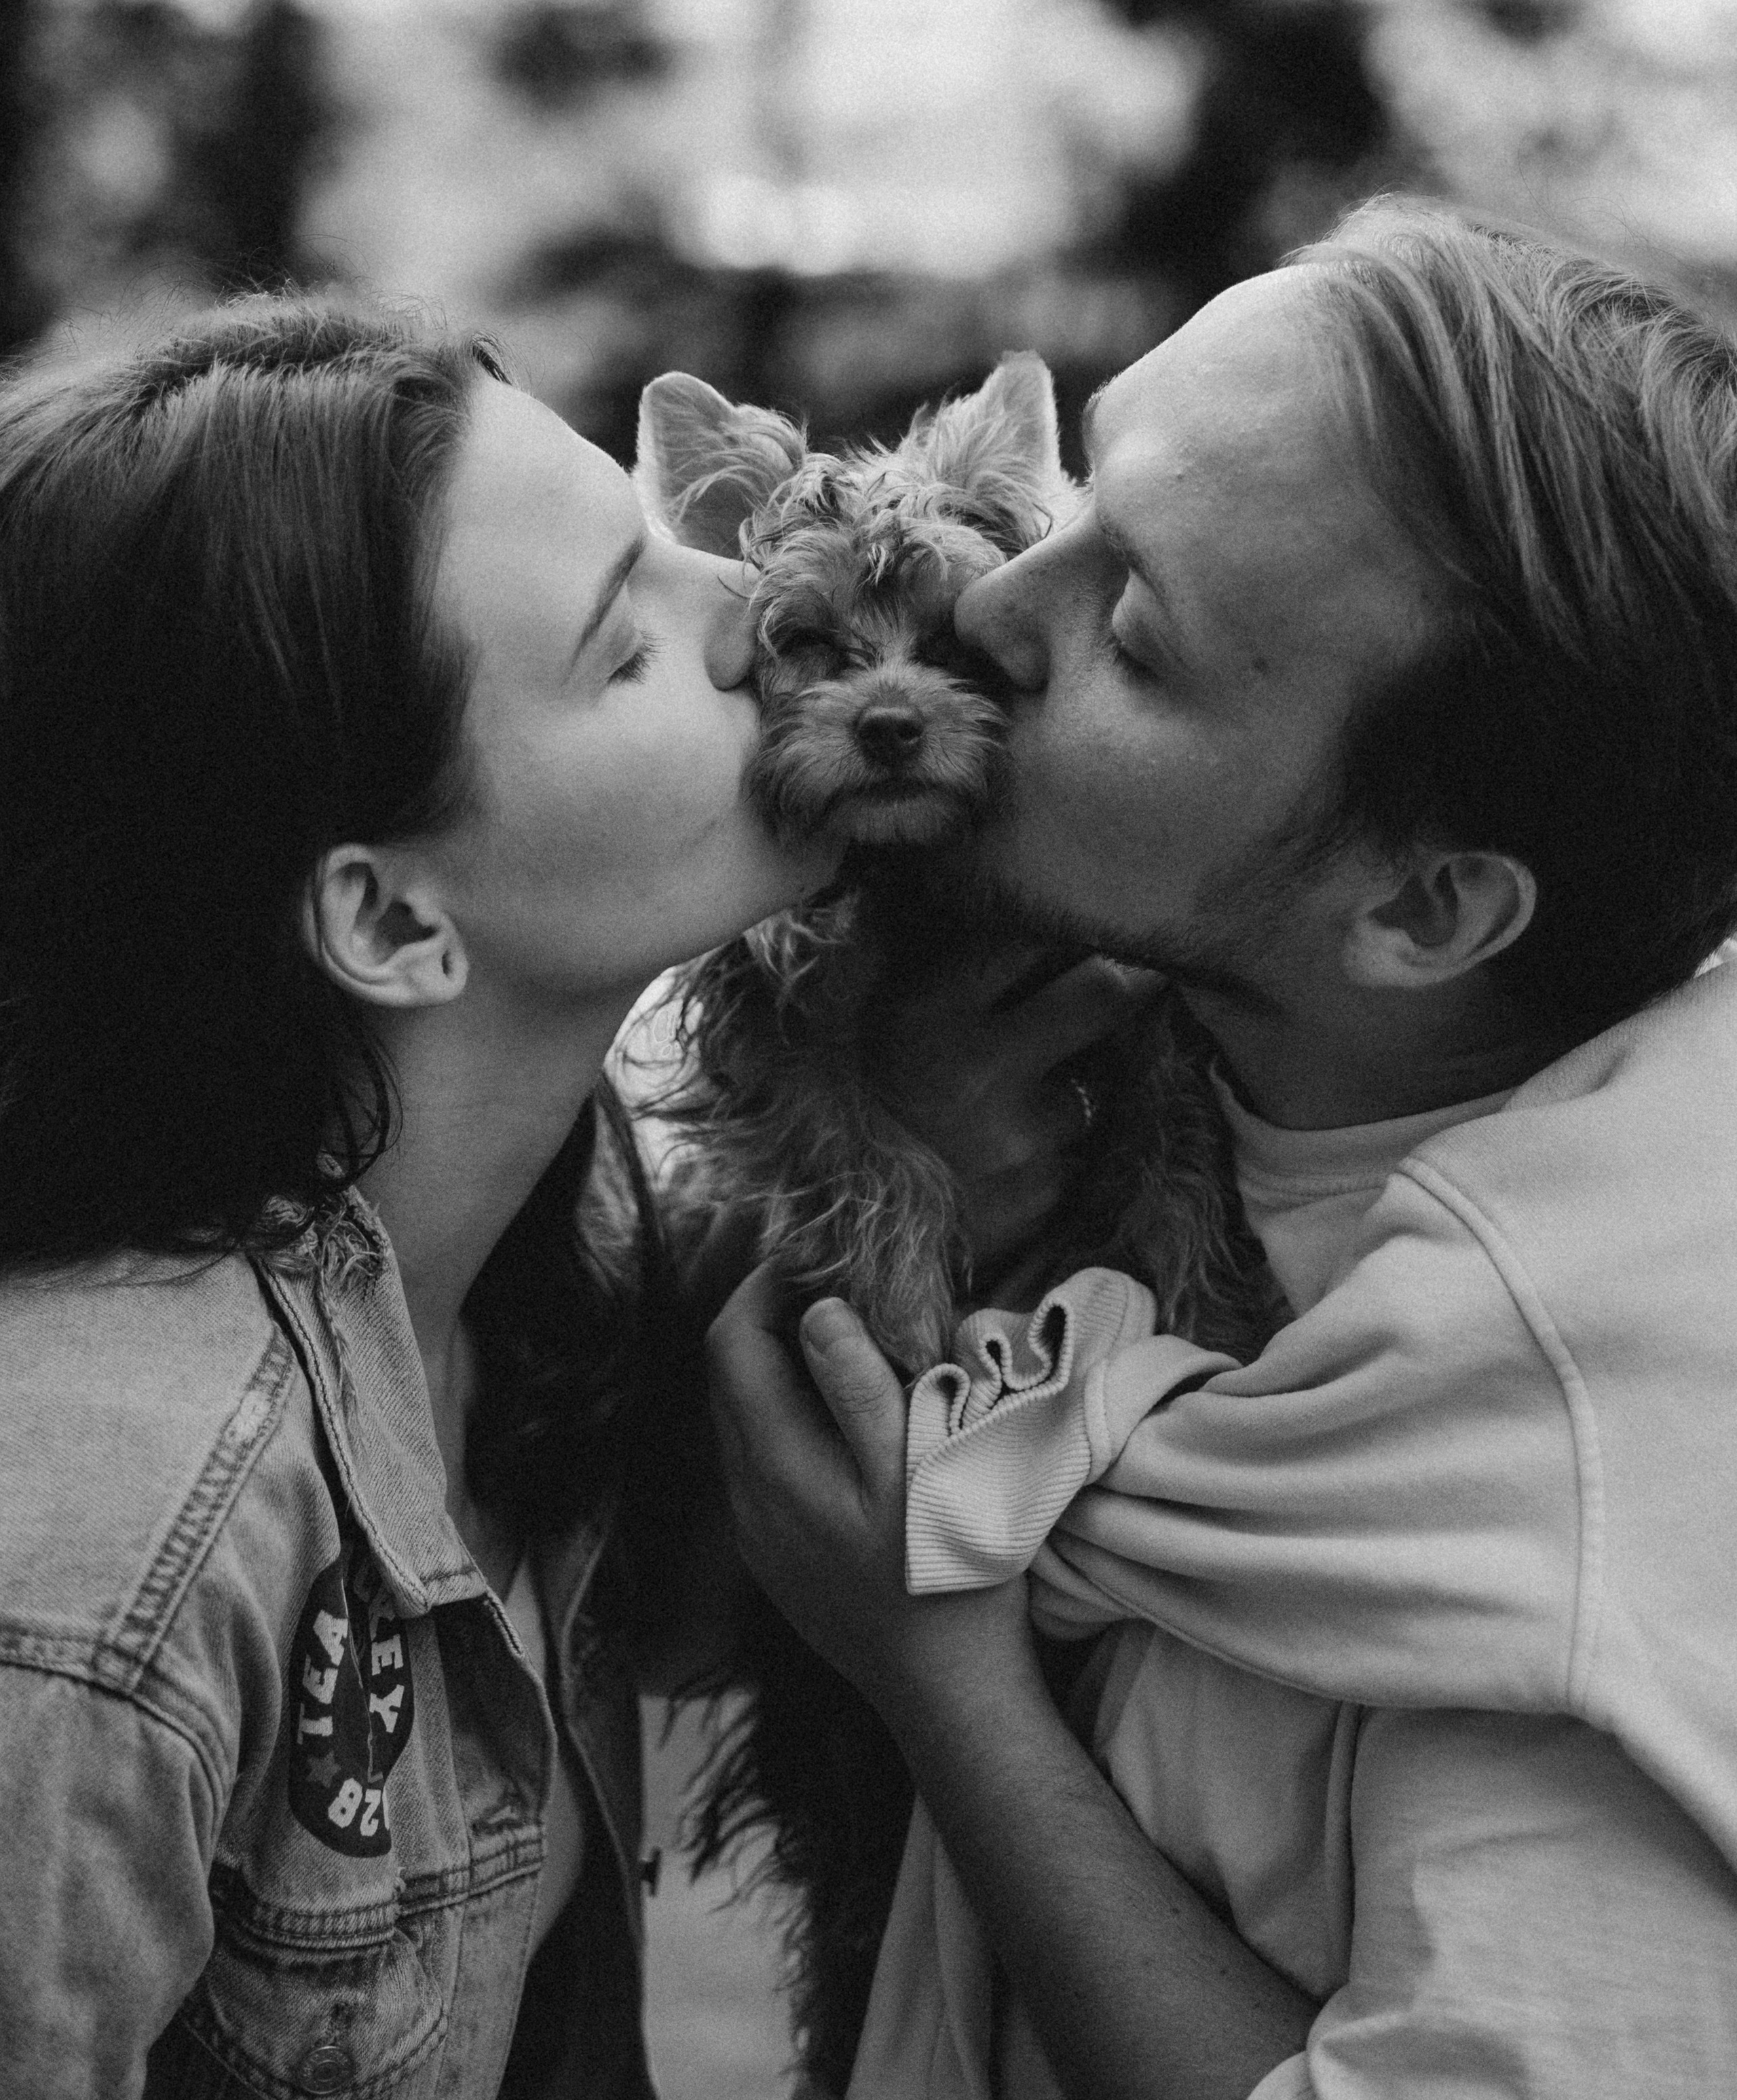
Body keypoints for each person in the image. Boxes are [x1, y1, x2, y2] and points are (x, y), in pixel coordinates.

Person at [709, 201, 1737, 2100]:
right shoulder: (1112, 1079)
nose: (998, 603)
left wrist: (947, 1691)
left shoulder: (1571, 1475)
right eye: (1087, 486)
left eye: (1143, 629)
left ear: (1423, 910)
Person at [0, 301, 855, 2097]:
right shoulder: (96, 1561)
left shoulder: (542, 1292)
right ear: (393, 924)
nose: (755, 606)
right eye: (629, 640)